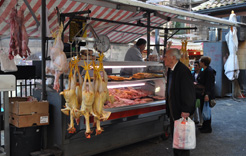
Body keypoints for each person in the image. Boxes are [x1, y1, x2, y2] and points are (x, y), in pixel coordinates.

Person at [163, 48, 196, 156]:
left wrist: (186, 109)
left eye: (165, 57)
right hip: (174, 111)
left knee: (182, 142)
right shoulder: (171, 70)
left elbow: (188, 92)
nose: (164, 59)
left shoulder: (183, 71)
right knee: (177, 140)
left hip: (181, 111)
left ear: (173, 58)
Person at [197, 56, 216, 133]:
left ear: (203, 63)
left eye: (200, 61)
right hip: (202, 93)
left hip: (206, 93)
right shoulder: (204, 70)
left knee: (206, 110)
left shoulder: (209, 71)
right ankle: (205, 126)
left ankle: (208, 128)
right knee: (203, 109)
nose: (199, 63)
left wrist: (207, 94)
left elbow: (209, 84)